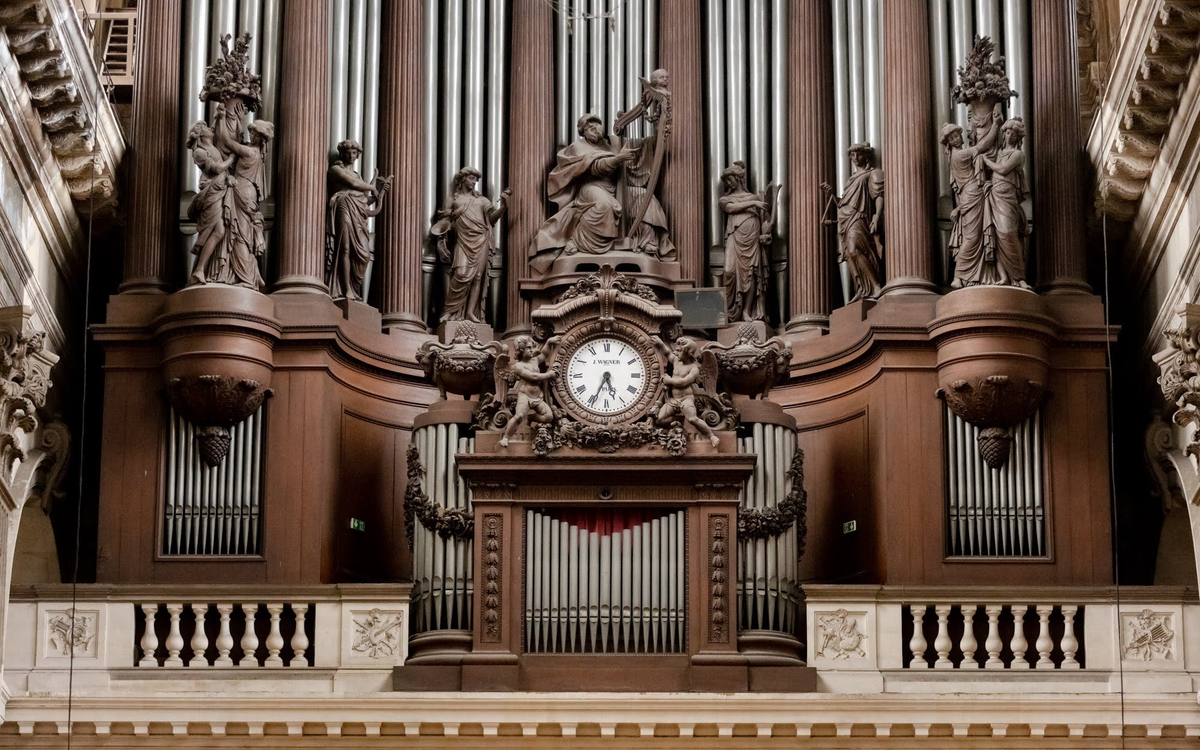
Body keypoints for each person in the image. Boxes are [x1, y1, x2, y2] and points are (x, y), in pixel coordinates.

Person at [529, 112, 674, 274]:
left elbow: (643, 148)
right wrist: (618, 159)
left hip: (616, 186)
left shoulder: (614, 142)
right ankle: (579, 241)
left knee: (644, 196)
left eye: (596, 125)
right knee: (604, 204)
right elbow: (596, 167)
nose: (594, 129)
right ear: (583, 132)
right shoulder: (578, 147)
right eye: (589, 127)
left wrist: (659, 129)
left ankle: (647, 241)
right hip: (591, 187)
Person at [431, 168, 509, 323]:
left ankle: (470, 313)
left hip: (481, 239)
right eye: (472, 178)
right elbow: (444, 222)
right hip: (462, 240)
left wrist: (504, 206)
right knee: (460, 274)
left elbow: (492, 218)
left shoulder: (482, 200)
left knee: (477, 277)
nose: (474, 182)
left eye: (476, 180)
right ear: (463, 179)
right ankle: (449, 311)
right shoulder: (453, 200)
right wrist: (441, 242)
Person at [941, 107, 1002, 287]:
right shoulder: (960, 155)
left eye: (956, 135)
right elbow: (983, 146)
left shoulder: (956, 156)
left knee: (975, 236)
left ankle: (977, 275)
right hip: (973, 194)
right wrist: (996, 125)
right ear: (949, 144)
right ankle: (958, 276)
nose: (956, 139)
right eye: (951, 138)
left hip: (972, 195)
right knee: (972, 237)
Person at [326, 140, 392, 300]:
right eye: (348, 151)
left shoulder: (358, 175)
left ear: (358, 155)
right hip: (344, 205)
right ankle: (345, 288)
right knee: (345, 247)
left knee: (364, 254)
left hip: (357, 211)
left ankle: (354, 288)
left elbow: (364, 202)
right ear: (342, 153)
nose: (351, 155)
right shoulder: (336, 169)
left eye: (354, 152)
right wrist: (372, 188)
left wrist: (379, 194)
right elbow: (353, 184)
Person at [821, 143, 884, 302]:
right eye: (852, 155)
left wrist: (877, 215)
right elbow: (843, 204)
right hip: (846, 219)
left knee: (854, 249)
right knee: (849, 254)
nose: (855, 158)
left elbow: (878, 195)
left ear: (866, 155)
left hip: (859, 217)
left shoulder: (872, 173)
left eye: (858, 154)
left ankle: (876, 284)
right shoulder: (850, 180)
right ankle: (862, 287)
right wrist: (832, 195)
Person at [981, 118, 1031, 289]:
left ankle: (1019, 277)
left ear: (1018, 137)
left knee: (1009, 233)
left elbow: (1002, 170)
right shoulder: (999, 152)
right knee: (996, 235)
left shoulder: (1017, 154)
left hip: (1008, 197)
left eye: (1013, 134)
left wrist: (986, 162)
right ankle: (1003, 276)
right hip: (995, 194)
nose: (1010, 136)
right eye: (1008, 132)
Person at [720, 161, 773, 322]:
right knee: (729, 271)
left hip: (752, 236)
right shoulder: (725, 199)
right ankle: (729, 311)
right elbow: (730, 209)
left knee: (751, 272)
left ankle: (746, 310)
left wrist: (766, 234)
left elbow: (766, 220)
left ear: (739, 178)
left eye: (730, 179)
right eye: (726, 181)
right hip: (735, 237)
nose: (728, 183)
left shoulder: (754, 197)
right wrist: (754, 203)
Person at [186, 120, 236, 287]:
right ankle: (199, 269)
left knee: (219, 231)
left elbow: (222, 171)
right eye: (206, 127)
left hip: (220, 190)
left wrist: (221, 116)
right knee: (214, 230)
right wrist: (231, 159)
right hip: (211, 194)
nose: (210, 128)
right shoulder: (199, 152)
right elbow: (215, 169)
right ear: (201, 133)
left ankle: (200, 270)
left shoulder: (213, 148)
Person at [654, 337, 720, 448]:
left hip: (686, 399)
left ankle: (711, 436)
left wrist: (670, 380)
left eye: (679, 351)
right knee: (659, 419)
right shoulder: (676, 361)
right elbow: (667, 353)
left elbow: (684, 382)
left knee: (692, 419)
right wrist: (660, 344)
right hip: (674, 400)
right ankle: (679, 420)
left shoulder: (694, 369)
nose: (676, 352)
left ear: (688, 353)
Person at [499, 335, 561, 448]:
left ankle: (531, 418)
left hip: (537, 396)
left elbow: (544, 354)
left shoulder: (535, 360)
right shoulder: (518, 366)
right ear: (521, 350)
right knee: (518, 416)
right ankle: (506, 437)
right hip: (525, 396)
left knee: (549, 417)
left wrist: (548, 341)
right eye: (528, 348)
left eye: (532, 347)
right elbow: (533, 377)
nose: (532, 350)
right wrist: (548, 375)